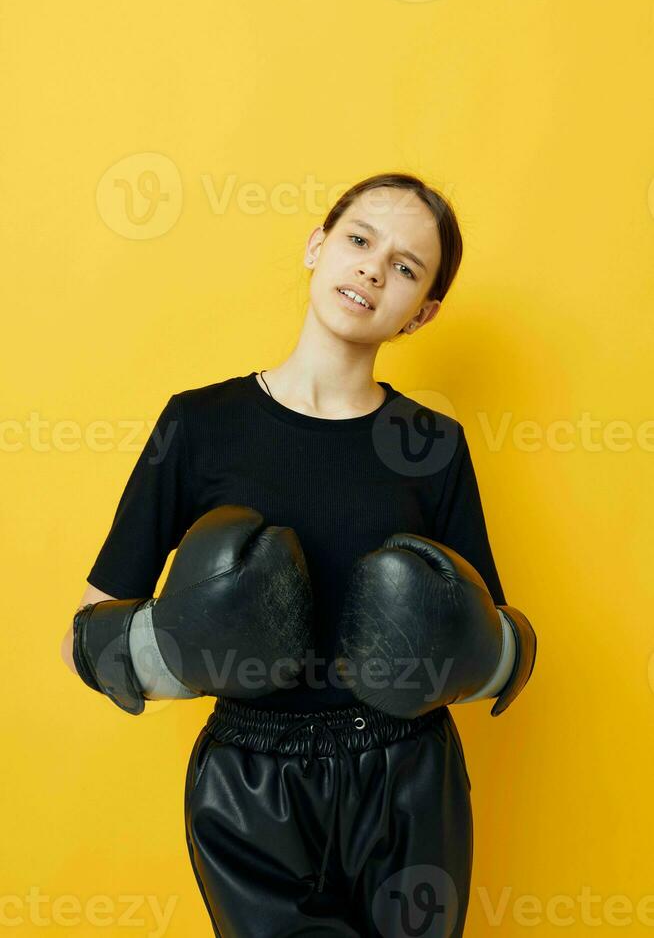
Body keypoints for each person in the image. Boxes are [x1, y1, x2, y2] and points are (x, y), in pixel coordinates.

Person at [61, 172, 536, 937]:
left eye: (407, 267)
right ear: (317, 246)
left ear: (423, 313)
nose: (375, 269)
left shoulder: (433, 446)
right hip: (251, 789)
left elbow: (491, 648)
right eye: (359, 240)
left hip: (410, 779)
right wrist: (189, 641)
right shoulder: (198, 424)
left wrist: (469, 645)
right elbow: (83, 633)